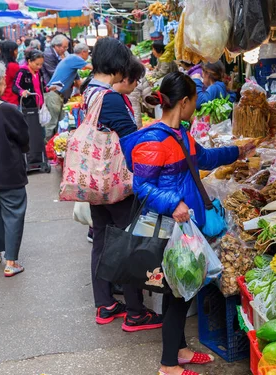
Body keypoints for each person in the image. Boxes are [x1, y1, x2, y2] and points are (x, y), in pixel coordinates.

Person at [121, 71, 253, 375]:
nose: (196, 105)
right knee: (179, 293)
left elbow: (203, 158)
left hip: (186, 225)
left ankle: (178, 350)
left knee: (180, 290)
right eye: (194, 100)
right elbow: (140, 186)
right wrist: (172, 203)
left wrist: (238, 150)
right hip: (171, 228)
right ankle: (169, 367)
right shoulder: (154, 139)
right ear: (184, 101)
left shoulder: (180, 133)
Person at [83, 37, 162, 331]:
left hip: (96, 181)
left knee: (102, 240)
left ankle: (105, 304)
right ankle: (136, 311)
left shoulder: (89, 90)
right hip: (115, 183)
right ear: (118, 65)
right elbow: (133, 140)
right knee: (130, 241)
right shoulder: (111, 98)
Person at [0, 62, 30, 277]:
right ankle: (12, 262)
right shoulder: (7, 110)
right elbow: (24, 138)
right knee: (13, 213)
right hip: (8, 172)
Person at [44, 43, 92, 140]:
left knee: (60, 124)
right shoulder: (74, 58)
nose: (88, 55)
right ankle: (45, 151)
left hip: (59, 96)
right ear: (83, 52)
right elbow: (92, 67)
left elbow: (79, 84)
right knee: (52, 124)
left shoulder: (73, 65)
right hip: (53, 95)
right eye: (88, 53)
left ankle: (53, 149)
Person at [113, 57, 150, 129]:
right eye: (137, 80)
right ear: (125, 79)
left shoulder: (119, 94)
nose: (136, 84)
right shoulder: (111, 98)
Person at [0, 40, 20, 105]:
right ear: (10, 51)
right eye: (16, 50)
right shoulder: (13, 66)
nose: (17, 52)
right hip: (12, 99)